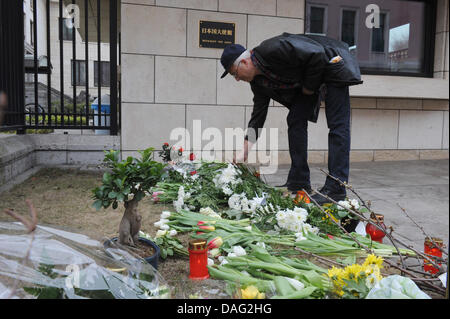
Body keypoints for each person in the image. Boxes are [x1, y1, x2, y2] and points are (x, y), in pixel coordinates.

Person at [220, 33, 363, 204]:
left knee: (338, 126)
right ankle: (299, 181)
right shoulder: (257, 82)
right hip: (311, 79)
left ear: (244, 62)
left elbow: (317, 53)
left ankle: (336, 187)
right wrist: (245, 148)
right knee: (295, 119)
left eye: (234, 73)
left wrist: (309, 89)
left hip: (332, 63)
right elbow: (258, 114)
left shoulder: (272, 48)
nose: (236, 79)